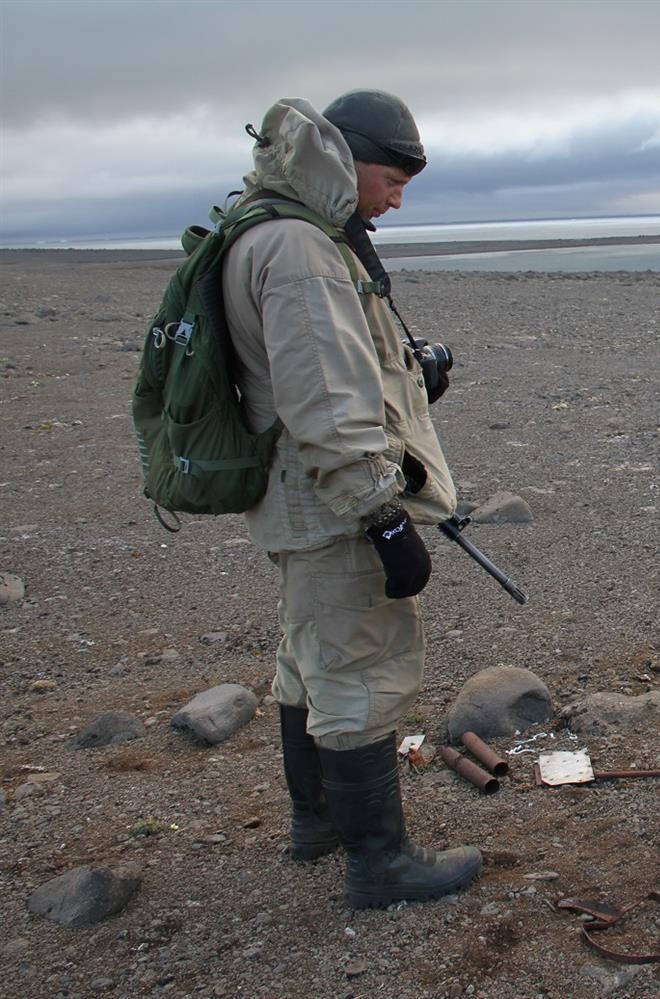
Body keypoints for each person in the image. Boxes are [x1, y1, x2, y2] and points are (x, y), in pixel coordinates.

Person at [221, 90, 480, 906]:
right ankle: (380, 863)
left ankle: (319, 823)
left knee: (309, 658)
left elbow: (321, 376)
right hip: (332, 504)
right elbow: (328, 405)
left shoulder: (276, 228)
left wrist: (410, 376)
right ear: (347, 157)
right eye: (393, 176)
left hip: (299, 498)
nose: (399, 196)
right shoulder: (300, 249)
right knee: (361, 665)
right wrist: (384, 517)